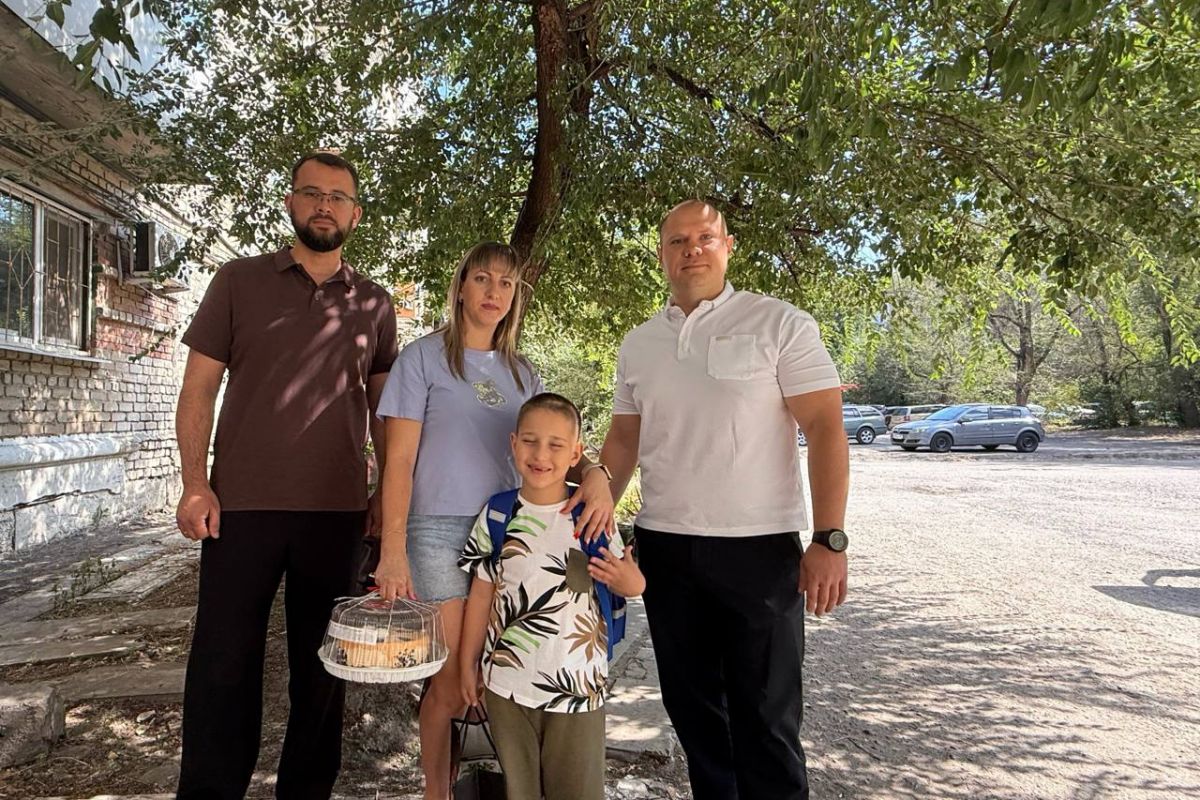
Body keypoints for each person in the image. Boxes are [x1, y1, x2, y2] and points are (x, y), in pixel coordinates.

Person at [597, 200, 850, 800]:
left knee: (766, 718)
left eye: (705, 237)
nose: (691, 249)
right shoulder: (640, 343)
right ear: (661, 254)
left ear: (728, 246)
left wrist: (829, 538)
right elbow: (625, 439)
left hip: (758, 550)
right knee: (694, 713)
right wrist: (592, 505)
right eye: (677, 241)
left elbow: (825, 427)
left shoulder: (780, 323)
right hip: (665, 549)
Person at [173, 151, 399, 800]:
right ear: (291, 203)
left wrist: (386, 496)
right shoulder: (237, 281)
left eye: (338, 197)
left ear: (355, 215)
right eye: (312, 193)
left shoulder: (375, 303)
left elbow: (385, 412)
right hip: (239, 508)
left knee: (323, 672)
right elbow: (198, 390)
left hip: (337, 514)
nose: (325, 205)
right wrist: (195, 482)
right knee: (222, 665)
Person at [373, 242, 615, 800]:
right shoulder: (422, 359)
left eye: (506, 283)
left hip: (511, 535)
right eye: (482, 278)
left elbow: (553, 441)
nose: (493, 292)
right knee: (451, 681)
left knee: (494, 675)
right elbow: (399, 461)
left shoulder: (521, 372)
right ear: (461, 286)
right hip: (439, 530)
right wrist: (392, 549)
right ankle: (436, 792)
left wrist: (597, 472)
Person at [458, 393, 645, 800]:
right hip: (507, 686)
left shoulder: (592, 515)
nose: (541, 454)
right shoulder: (498, 514)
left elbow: (627, 585)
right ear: (514, 444)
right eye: (530, 441)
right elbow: (481, 596)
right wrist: (468, 663)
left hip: (577, 688)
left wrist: (633, 582)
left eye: (556, 445)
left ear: (576, 453)